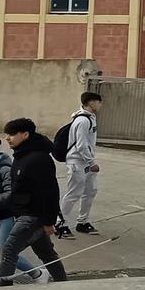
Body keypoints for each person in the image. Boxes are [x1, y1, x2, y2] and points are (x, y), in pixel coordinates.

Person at [0, 118, 68, 287]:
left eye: (12, 134)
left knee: (9, 250)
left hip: (32, 215)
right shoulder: (21, 155)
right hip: (23, 214)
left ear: (25, 135)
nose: (7, 138)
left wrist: (49, 221)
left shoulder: (39, 159)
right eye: (7, 134)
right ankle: (65, 285)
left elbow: (50, 192)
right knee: (47, 254)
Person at [0, 138, 44, 287]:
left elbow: (11, 193)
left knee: (6, 252)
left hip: (7, 217)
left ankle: (37, 273)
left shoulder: (4, 169)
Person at [56, 91, 102, 239]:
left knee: (90, 191)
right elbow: (81, 145)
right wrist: (92, 162)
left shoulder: (91, 118)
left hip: (85, 162)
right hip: (77, 162)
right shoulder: (82, 121)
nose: (100, 105)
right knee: (73, 193)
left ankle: (82, 222)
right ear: (91, 103)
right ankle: (60, 224)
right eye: (98, 102)